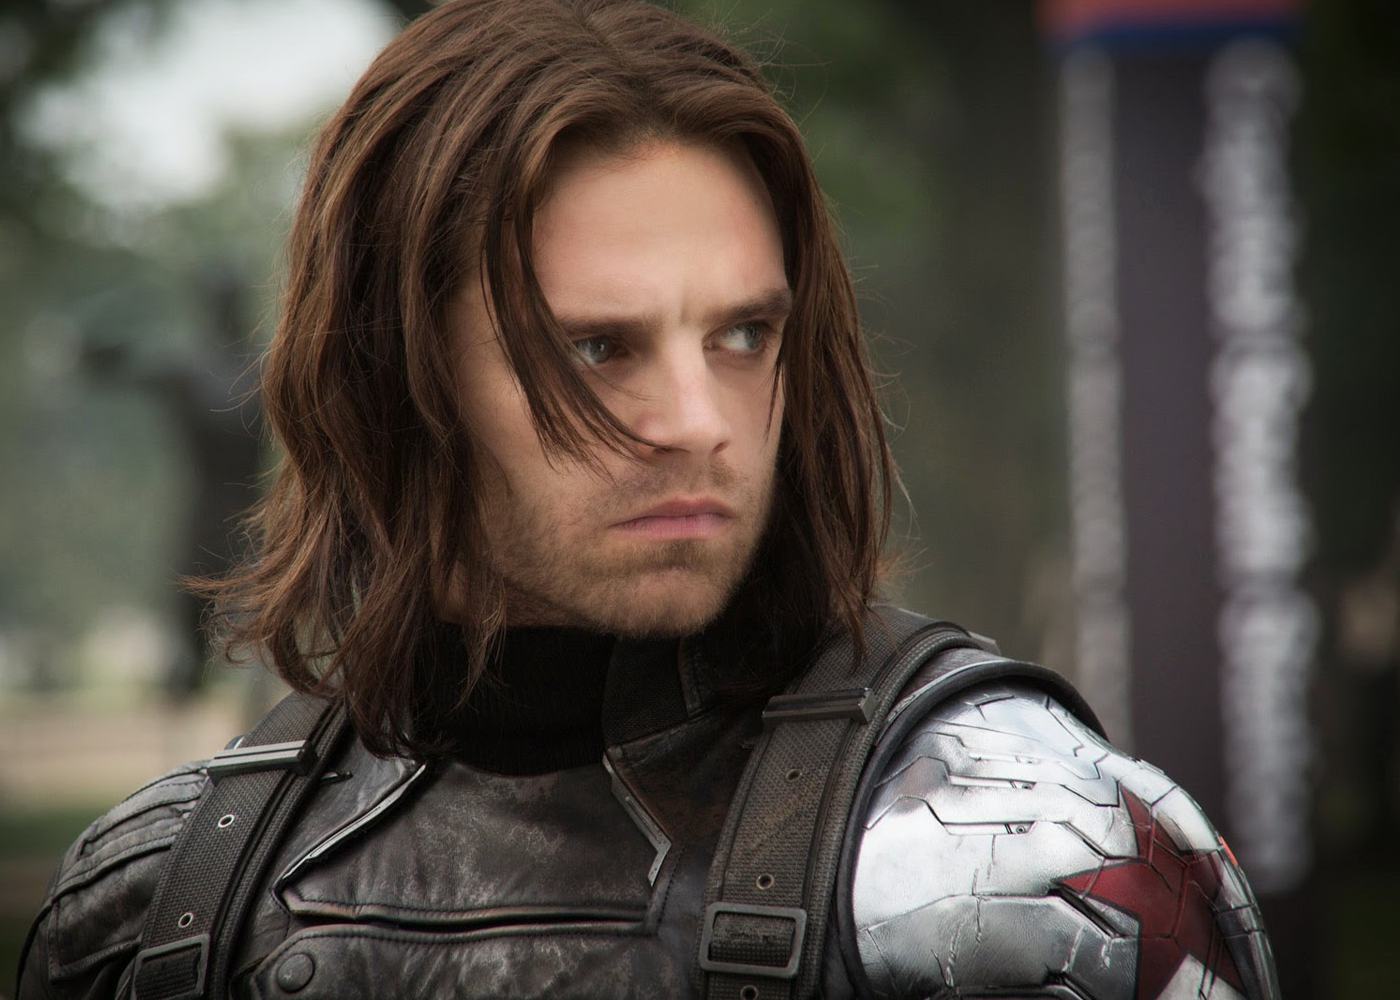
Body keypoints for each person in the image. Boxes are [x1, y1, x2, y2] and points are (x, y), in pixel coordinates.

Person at [17, 1, 1280, 998]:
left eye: (741, 334)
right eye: (596, 348)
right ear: (396, 379)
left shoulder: (1022, 861)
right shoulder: (165, 902)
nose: (696, 421)